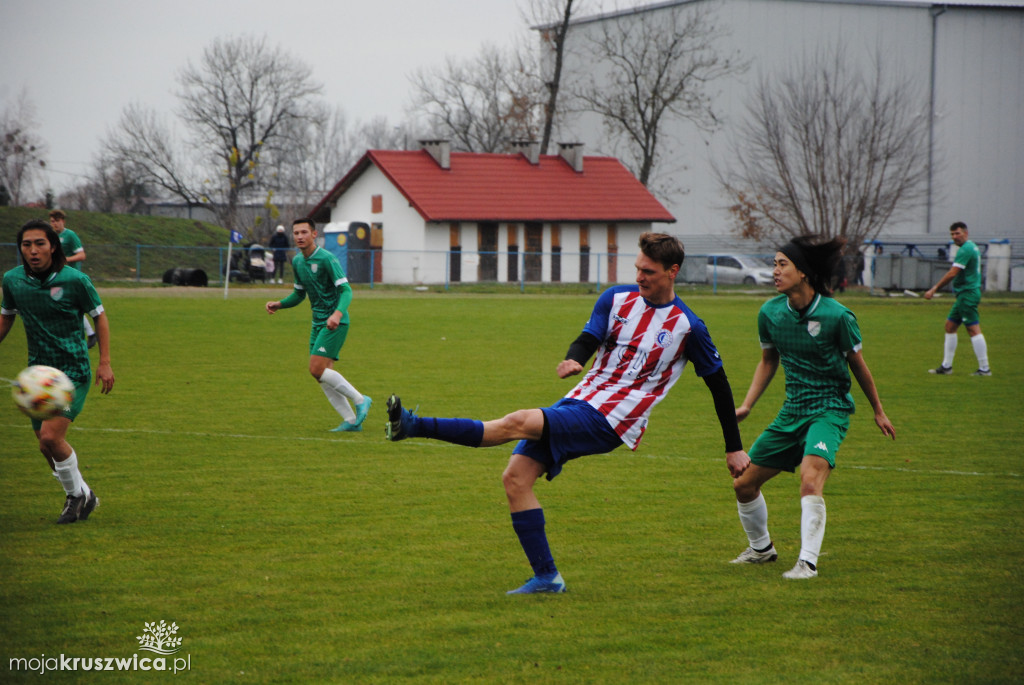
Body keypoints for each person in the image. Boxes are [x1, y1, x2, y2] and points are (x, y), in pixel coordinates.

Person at [385, 232, 751, 594]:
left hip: (614, 420)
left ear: (672, 272)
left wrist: (733, 447)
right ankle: (548, 578)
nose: (639, 277)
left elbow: (719, 386)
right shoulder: (617, 298)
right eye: (638, 268)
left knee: (517, 422)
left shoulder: (688, 326)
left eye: (649, 272)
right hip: (581, 400)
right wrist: (575, 357)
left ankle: (414, 426)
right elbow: (590, 335)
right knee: (515, 479)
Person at [730, 234, 896, 579]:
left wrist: (878, 410)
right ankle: (761, 549)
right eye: (774, 264)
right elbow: (767, 360)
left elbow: (859, 366)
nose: (775, 271)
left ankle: (807, 562)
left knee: (809, 480)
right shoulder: (770, 313)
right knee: (743, 484)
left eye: (782, 264)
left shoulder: (838, 316)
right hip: (792, 411)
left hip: (829, 409)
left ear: (803, 272)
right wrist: (747, 404)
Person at [1, 220, 115, 524]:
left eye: (40, 243)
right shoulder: (12, 281)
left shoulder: (75, 280)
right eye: (27, 245)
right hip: (37, 375)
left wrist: (104, 361)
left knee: (51, 436)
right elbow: (6, 319)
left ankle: (75, 497)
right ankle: (83, 493)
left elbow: (100, 318)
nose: (33, 250)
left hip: (73, 372)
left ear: (53, 246)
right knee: (44, 444)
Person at [265, 218, 371, 432]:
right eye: (296, 233)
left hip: (335, 323)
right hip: (317, 322)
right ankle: (350, 421)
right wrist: (280, 304)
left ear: (314, 234)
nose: (300, 236)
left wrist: (337, 314)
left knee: (316, 368)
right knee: (321, 374)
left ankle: (361, 400)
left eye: (304, 232)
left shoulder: (327, 259)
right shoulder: (297, 262)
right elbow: (299, 293)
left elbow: (347, 290)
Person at [924, 222, 990, 376]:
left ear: (966, 233)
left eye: (957, 233)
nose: (955, 237)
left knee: (973, 329)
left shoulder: (966, 249)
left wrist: (934, 288)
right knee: (950, 326)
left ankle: (985, 368)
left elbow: (953, 273)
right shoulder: (971, 247)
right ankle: (946, 367)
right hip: (964, 294)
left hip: (968, 294)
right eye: (952, 234)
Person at [49, 209, 96, 348]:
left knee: (66, 304)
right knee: (63, 305)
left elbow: (81, 255)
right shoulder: (50, 237)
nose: (54, 224)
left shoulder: (70, 235)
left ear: (62, 221)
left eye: (57, 221)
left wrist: (65, 259)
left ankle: (87, 333)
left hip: (70, 277)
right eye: (52, 221)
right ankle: (89, 333)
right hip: (56, 277)